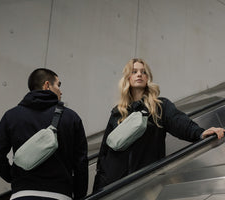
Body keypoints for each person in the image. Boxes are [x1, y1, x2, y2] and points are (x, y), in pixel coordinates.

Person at [93, 58, 225, 191]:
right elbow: (104, 153)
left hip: (146, 182)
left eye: (143, 72)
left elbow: (179, 122)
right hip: (114, 186)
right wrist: (98, 189)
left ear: (147, 78)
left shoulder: (159, 107)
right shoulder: (118, 112)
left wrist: (200, 133)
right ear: (127, 78)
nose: (139, 74)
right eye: (134, 72)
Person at [0, 68, 88, 200]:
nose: (61, 91)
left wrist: (15, 178)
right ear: (47, 85)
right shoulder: (71, 118)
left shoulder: (12, 116)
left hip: (22, 199)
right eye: (59, 85)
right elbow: (81, 164)